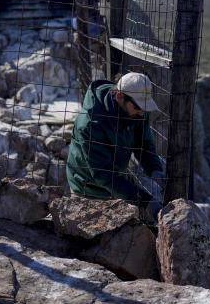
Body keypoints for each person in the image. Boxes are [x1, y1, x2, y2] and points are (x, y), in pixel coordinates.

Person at [66, 72, 166, 221]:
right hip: (88, 189)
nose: (142, 112)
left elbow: (144, 145)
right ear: (119, 96)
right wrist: (145, 201)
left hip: (115, 182)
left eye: (145, 106)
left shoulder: (136, 112)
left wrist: (155, 170)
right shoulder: (90, 124)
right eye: (139, 106)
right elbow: (103, 174)